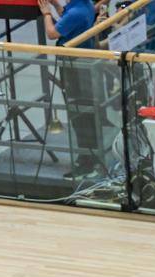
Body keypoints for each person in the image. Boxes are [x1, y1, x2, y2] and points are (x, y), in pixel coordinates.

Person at [40, 0, 109, 178]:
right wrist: (55, 6)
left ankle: (88, 161)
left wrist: (47, 13)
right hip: (80, 66)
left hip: (75, 69)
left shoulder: (76, 12)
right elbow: (67, 17)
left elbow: (52, 33)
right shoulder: (84, 6)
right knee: (83, 114)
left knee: (79, 115)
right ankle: (88, 157)